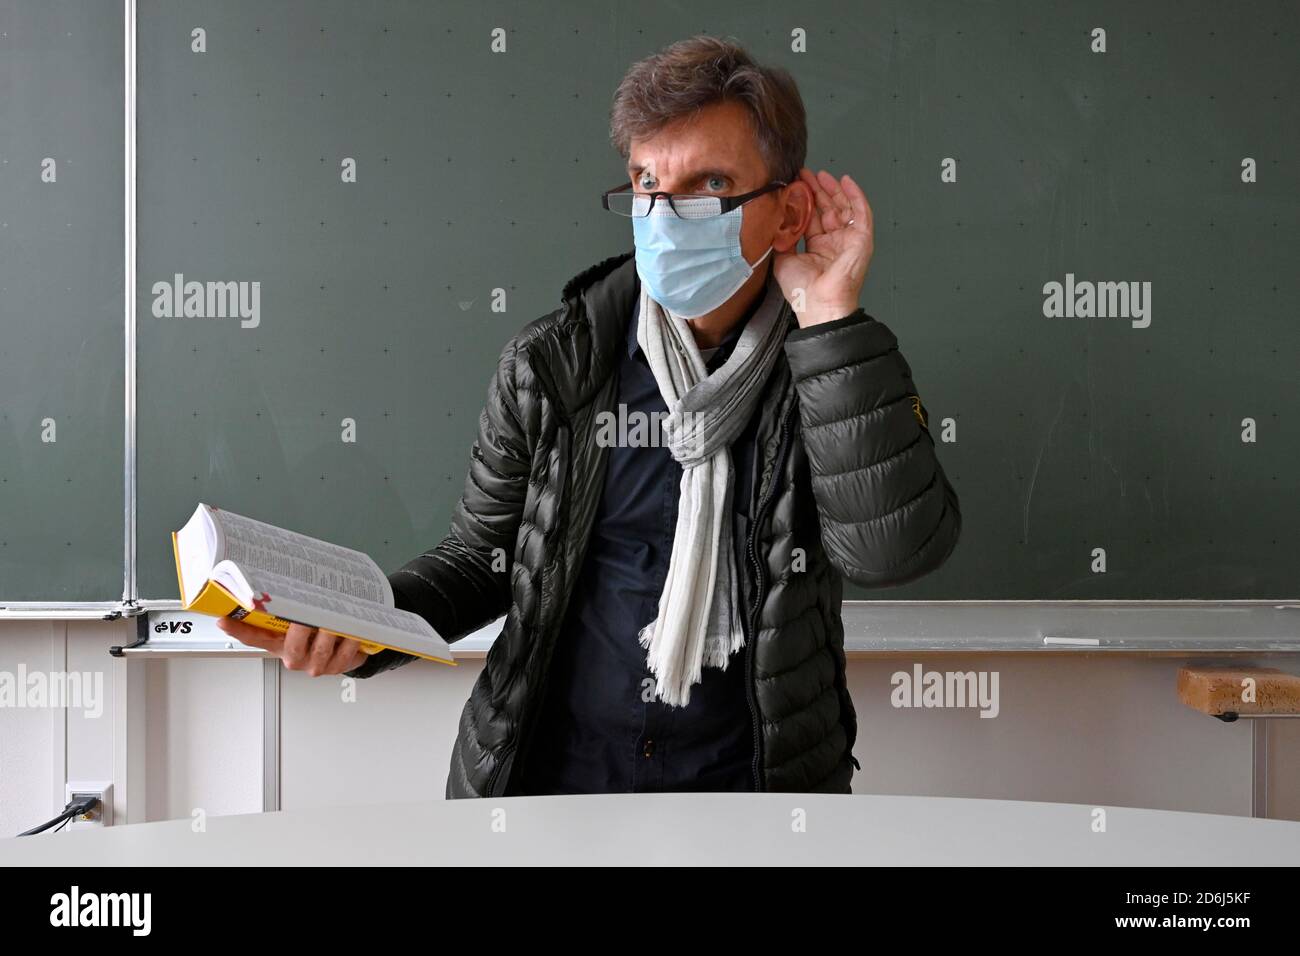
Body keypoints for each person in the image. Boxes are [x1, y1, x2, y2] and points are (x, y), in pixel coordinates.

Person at [217, 34, 961, 797]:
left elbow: (890, 553)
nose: (667, 218)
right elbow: (483, 561)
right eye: (646, 183)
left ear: (787, 211)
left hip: (756, 799)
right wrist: (363, 626)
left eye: (707, 185)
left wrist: (830, 315)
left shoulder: (829, 364)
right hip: (551, 786)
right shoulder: (553, 365)